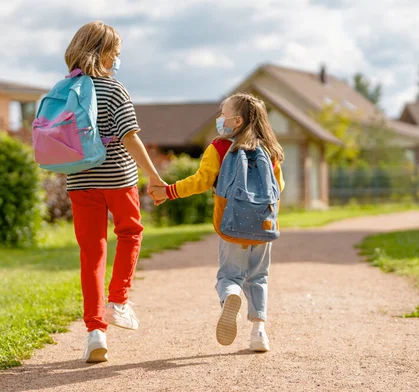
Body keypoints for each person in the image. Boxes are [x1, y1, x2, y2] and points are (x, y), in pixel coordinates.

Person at [149, 93, 285, 352]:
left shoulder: (220, 147)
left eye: (223, 114)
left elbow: (200, 181)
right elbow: (278, 187)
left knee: (229, 275)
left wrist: (168, 191)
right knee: (259, 277)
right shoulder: (271, 150)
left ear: (236, 121)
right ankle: (259, 333)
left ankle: (231, 294)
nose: (219, 119)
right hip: (264, 226)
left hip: (231, 224)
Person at [64, 21, 166, 363]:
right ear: (103, 53)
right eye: (116, 53)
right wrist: (154, 177)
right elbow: (130, 137)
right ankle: (118, 302)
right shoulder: (113, 88)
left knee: (92, 253)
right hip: (118, 178)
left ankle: (95, 332)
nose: (118, 60)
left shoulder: (66, 89)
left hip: (79, 179)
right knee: (131, 233)